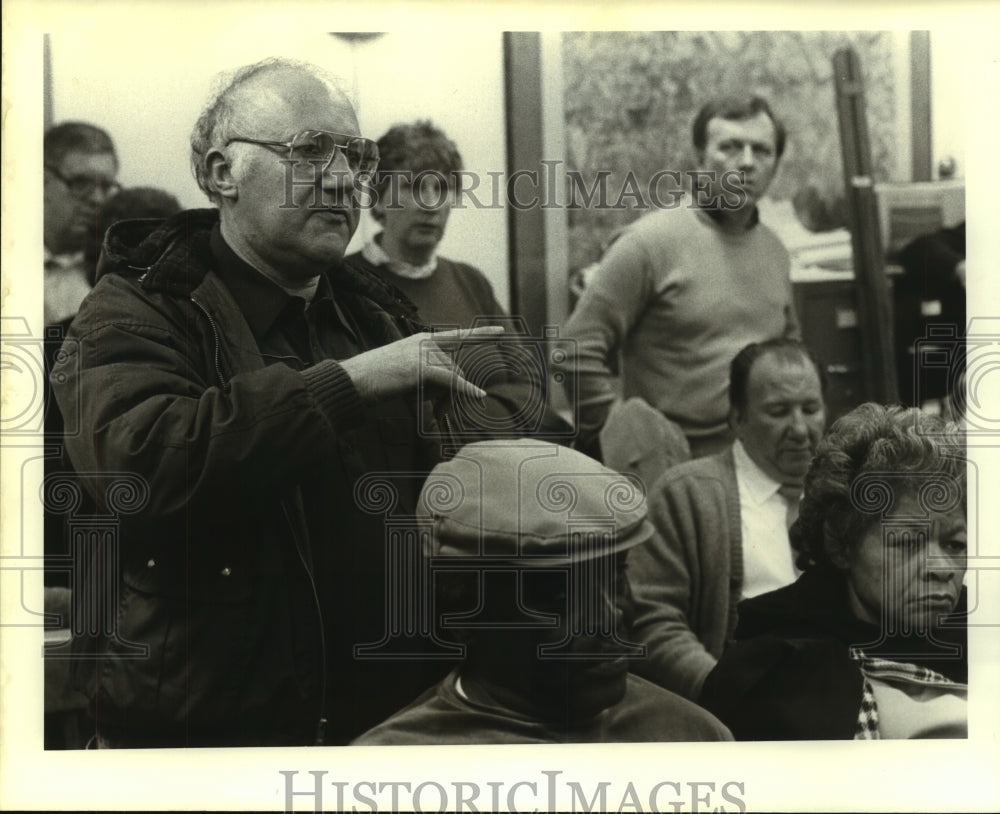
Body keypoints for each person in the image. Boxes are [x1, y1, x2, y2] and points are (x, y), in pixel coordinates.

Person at [50, 57, 506, 748]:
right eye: (309, 151)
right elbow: (141, 469)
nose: (341, 177)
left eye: (354, 156)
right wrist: (346, 385)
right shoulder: (134, 311)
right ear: (220, 174)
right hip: (207, 742)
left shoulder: (374, 316)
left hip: (390, 728)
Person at [352, 439, 732, 744]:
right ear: (461, 607)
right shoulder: (391, 773)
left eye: (615, 578)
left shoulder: (691, 738)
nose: (609, 619)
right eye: (558, 596)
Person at [699, 403, 967, 740]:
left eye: (956, 545)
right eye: (908, 542)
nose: (941, 568)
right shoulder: (775, 678)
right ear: (841, 545)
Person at [561, 95, 800, 461]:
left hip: (755, 463)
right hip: (669, 466)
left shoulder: (775, 252)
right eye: (731, 147)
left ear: (775, 165)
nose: (748, 163)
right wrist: (622, 440)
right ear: (699, 158)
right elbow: (574, 350)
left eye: (762, 151)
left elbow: (788, 357)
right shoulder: (646, 244)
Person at [628, 339, 826, 701]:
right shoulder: (686, 494)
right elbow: (650, 623)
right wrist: (723, 689)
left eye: (810, 408)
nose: (800, 429)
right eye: (779, 411)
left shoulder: (844, 495)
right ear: (737, 418)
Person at [345, 120, 505, 327]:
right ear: (379, 198)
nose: (431, 204)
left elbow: (521, 360)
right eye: (414, 187)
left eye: (442, 188)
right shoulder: (343, 282)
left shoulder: (472, 283)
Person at [44, 122, 120, 329]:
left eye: (105, 186)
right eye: (81, 184)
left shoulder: (116, 271)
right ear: (42, 181)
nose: (97, 199)